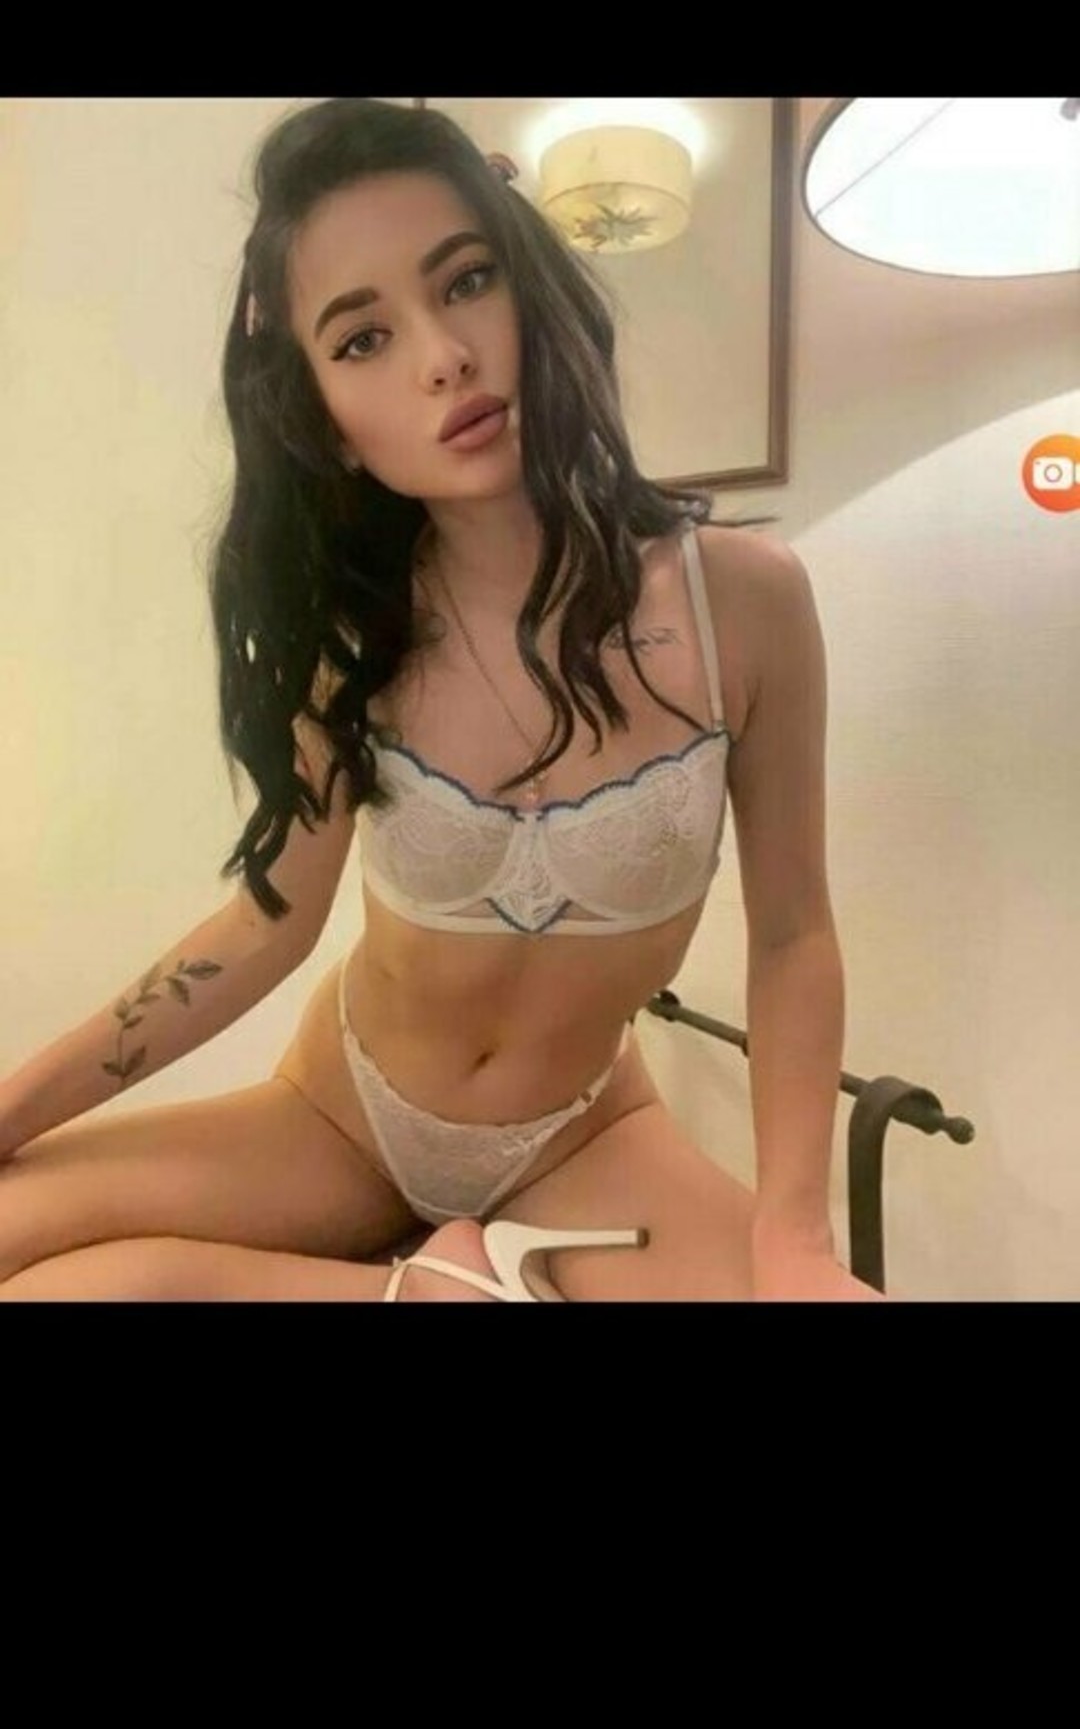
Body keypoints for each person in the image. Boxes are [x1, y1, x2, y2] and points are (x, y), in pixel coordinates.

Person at [0, 98, 884, 1302]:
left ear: (528, 289)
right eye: (363, 338)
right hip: (343, 1113)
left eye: (466, 281)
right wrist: (12, 1110)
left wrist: (796, 1238)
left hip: (583, 1139)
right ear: (329, 424)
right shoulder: (356, 635)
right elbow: (266, 926)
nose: (442, 357)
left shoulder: (747, 603)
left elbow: (792, 937)